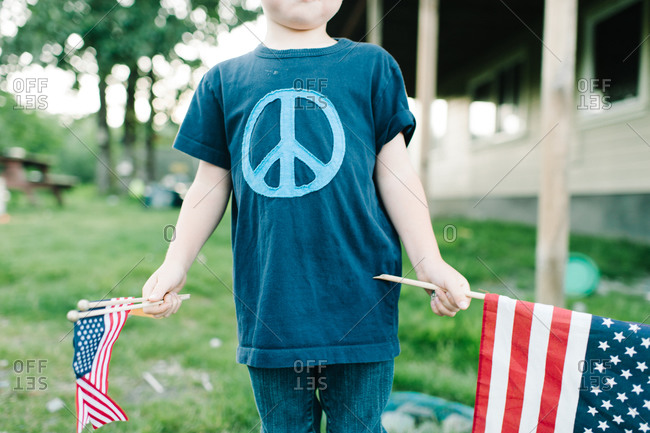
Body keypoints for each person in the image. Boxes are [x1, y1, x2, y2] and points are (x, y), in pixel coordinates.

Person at [142, 0, 471, 431]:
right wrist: (175, 263)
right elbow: (208, 186)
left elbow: (397, 175)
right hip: (272, 311)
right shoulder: (224, 82)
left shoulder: (372, 66)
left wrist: (430, 263)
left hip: (361, 306)